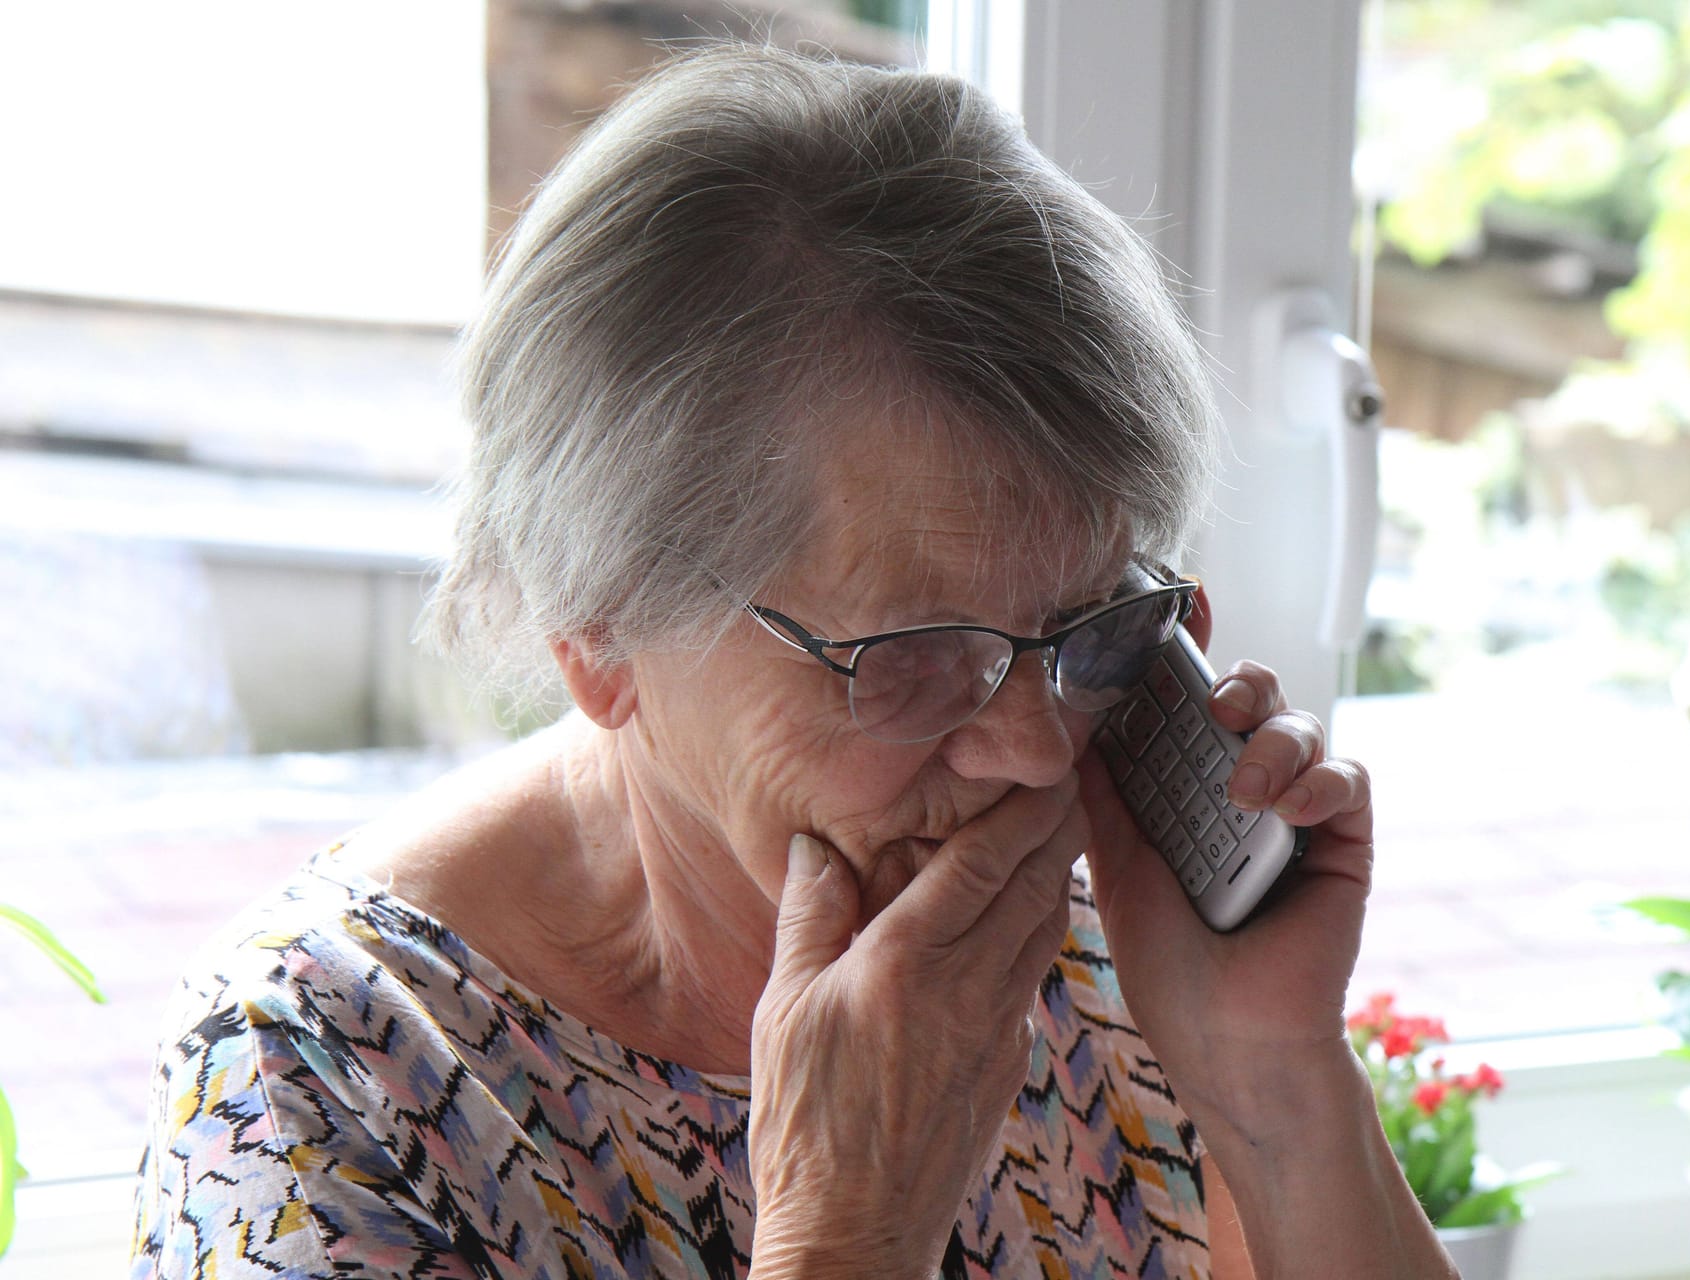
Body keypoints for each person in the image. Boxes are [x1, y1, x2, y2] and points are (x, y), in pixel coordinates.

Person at [132, 43, 1453, 1280]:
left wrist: (1271, 1080)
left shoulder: (1105, 934)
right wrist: (848, 1229)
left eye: (1093, 625)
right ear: (599, 635)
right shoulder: (312, 1090)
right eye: (919, 660)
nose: (1041, 752)